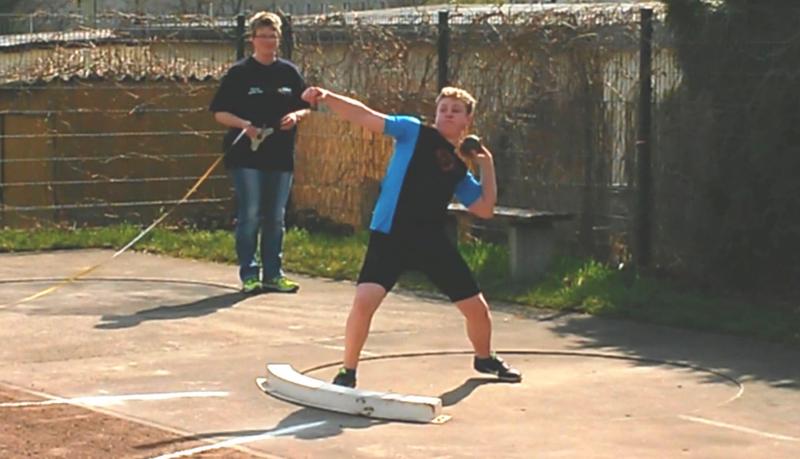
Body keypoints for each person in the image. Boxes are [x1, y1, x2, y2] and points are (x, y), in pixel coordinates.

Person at [301, 85, 522, 387]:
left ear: (467, 120)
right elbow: (364, 116)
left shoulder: (458, 168)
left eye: (455, 111)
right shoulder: (413, 131)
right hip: (390, 234)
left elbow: (484, 208)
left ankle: (484, 358)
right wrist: (327, 97)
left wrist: (487, 164)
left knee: (478, 311)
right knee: (364, 301)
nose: (447, 114)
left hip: (429, 240)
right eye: (443, 109)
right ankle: (347, 371)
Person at [210, 11, 310, 294]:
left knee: (276, 216)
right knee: (251, 213)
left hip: (280, 155)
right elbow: (219, 112)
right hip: (246, 155)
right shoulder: (239, 73)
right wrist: (244, 125)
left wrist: (296, 116)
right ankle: (250, 274)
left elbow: (305, 106)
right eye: (263, 36)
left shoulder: (289, 72)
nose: (268, 41)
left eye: (272, 36)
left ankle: (273, 274)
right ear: (252, 39)